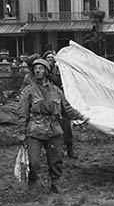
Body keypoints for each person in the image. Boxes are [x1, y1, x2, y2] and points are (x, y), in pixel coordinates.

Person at [15, 59, 89, 194]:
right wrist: (21, 132)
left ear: (47, 71)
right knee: (33, 162)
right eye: (36, 68)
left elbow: (67, 110)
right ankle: (32, 183)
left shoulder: (56, 91)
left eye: (41, 68)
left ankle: (55, 183)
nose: (37, 70)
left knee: (56, 160)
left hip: (53, 129)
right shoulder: (28, 91)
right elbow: (22, 113)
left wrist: (83, 116)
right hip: (35, 130)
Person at [43, 50, 78, 158]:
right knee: (51, 128)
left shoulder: (59, 69)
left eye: (51, 57)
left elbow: (61, 80)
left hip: (60, 99)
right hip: (47, 102)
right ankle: (56, 150)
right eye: (48, 57)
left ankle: (70, 149)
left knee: (66, 126)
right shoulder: (40, 70)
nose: (50, 59)